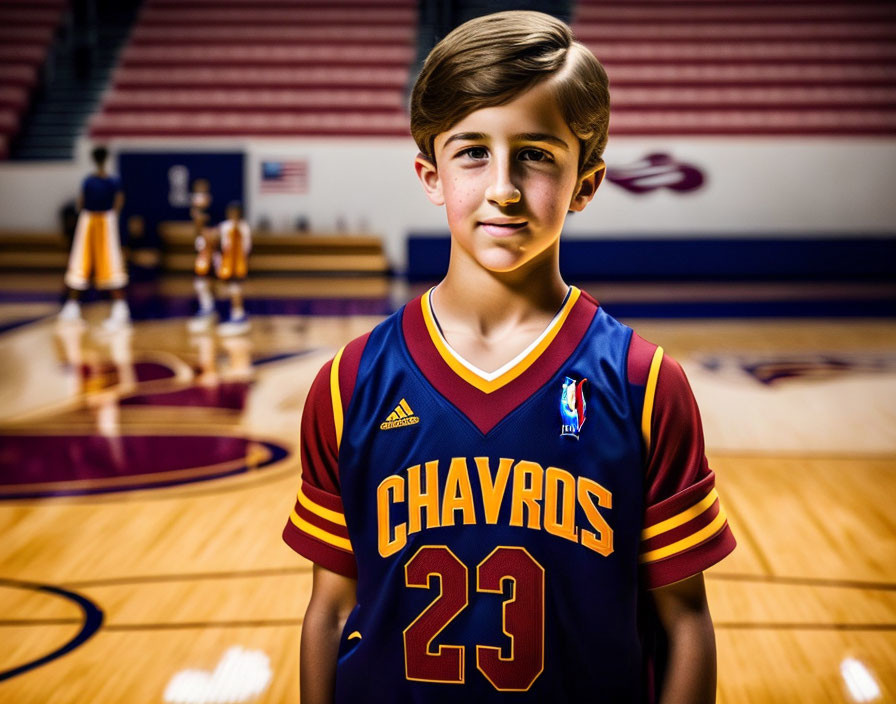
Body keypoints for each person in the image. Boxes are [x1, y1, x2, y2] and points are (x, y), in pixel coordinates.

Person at [283, 11, 735, 704]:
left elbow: (686, 623)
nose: (503, 186)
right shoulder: (350, 383)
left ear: (585, 181)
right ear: (429, 174)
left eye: (536, 153)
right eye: (472, 153)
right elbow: (332, 609)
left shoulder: (643, 384)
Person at [59, 145, 131, 329]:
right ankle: (72, 307)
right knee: (83, 263)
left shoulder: (93, 181)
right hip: (98, 220)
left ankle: (119, 309)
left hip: (97, 220)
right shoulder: (106, 180)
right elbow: (118, 202)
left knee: (106, 264)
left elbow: (81, 201)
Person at [215, 201, 251, 336]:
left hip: (238, 262)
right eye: (231, 212)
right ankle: (234, 313)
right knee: (229, 289)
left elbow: (246, 247)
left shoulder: (243, 228)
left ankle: (238, 314)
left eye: (235, 212)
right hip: (226, 261)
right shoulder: (224, 226)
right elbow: (219, 244)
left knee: (236, 288)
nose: (233, 214)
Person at [187, 178, 218, 332]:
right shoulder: (196, 211)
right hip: (201, 246)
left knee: (205, 278)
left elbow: (206, 226)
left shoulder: (209, 215)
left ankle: (209, 309)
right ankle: (207, 307)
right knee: (200, 279)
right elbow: (196, 226)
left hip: (209, 247)